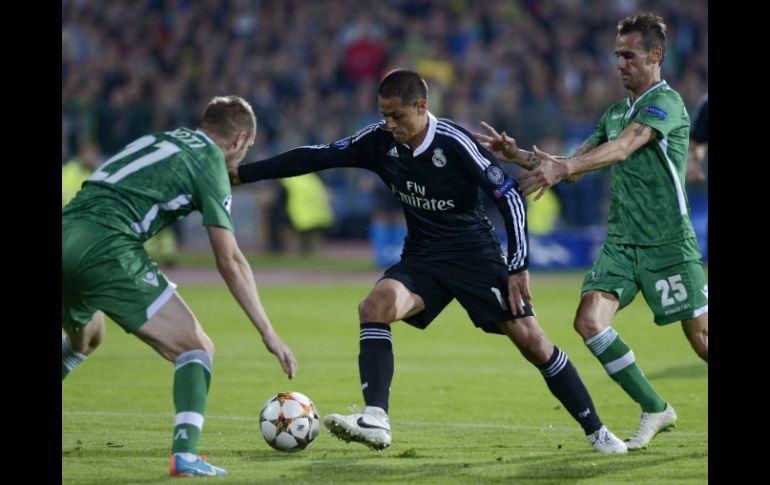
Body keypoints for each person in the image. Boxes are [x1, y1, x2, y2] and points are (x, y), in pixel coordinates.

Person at [232, 69, 627, 454]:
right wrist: (244, 174)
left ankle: (598, 432)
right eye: (383, 114)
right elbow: (315, 156)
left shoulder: (454, 142)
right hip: (423, 255)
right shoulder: (378, 140)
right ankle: (376, 419)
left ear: (421, 106)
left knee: (533, 343)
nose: (388, 123)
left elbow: (508, 197)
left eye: (397, 115)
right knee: (374, 307)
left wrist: (517, 265)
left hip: (474, 254)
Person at [474, 13, 708, 451]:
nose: (620, 63)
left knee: (702, 340)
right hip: (621, 243)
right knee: (588, 320)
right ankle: (655, 407)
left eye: (629, 55)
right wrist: (518, 155)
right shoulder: (615, 112)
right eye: (617, 55)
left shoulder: (667, 103)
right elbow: (572, 166)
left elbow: (621, 150)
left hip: (669, 245)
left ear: (656, 56)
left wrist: (565, 167)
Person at [62, 95, 297, 477]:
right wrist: (268, 332)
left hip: (67, 228)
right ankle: (185, 456)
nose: (240, 160)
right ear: (238, 140)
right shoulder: (210, 162)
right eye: (246, 149)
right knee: (196, 347)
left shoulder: (163, 139)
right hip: (107, 245)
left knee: (86, 339)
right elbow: (230, 260)